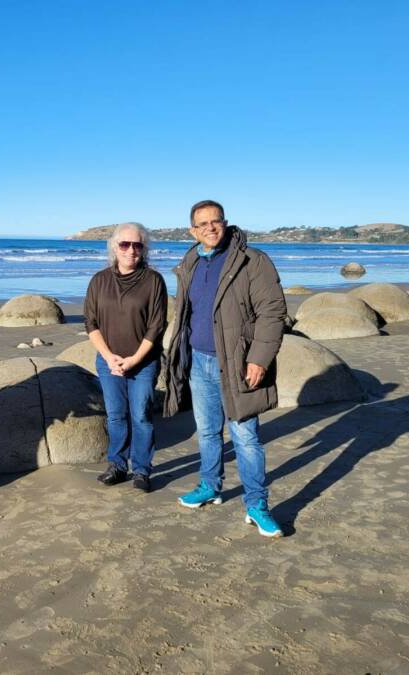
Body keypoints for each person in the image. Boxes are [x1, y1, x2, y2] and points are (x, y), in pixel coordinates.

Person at [163, 200, 286, 537]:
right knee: (206, 431)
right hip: (198, 361)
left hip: (236, 363)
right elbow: (185, 312)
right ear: (192, 230)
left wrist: (259, 358)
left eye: (215, 221)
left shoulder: (252, 261)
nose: (210, 228)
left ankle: (257, 505)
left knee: (246, 438)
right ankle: (210, 486)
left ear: (226, 223)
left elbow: (272, 311)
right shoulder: (189, 262)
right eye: (202, 224)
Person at [84, 223, 168, 493]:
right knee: (116, 416)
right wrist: (109, 358)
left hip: (143, 363)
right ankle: (117, 466)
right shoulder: (99, 281)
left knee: (141, 415)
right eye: (125, 244)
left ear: (144, 249)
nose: (131, 250)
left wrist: (133, 360)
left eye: (137, 245)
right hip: (109, 363)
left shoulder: (153, 281)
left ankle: (142, 470)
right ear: (114, 247)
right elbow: (91, 323)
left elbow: (156, 326)